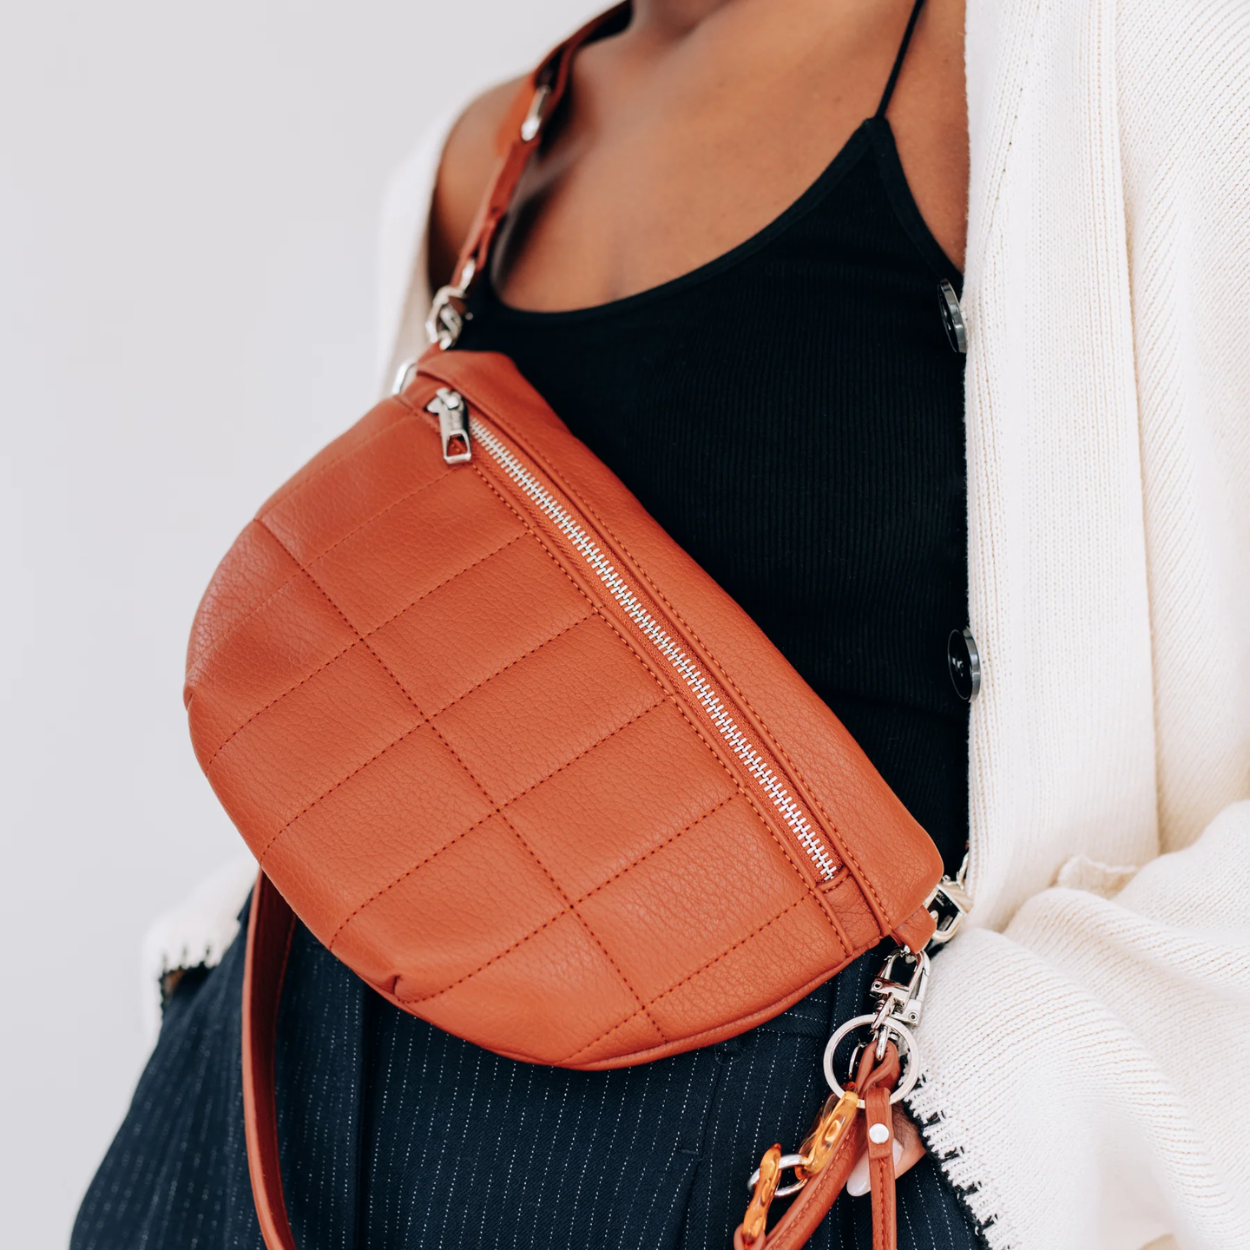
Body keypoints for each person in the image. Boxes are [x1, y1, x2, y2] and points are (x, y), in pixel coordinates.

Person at [73, 1, 1250, 1248]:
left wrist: (999, 1099)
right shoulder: (480, 160)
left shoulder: (1121, 58)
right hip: (270, 1129)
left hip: (769, 1159)